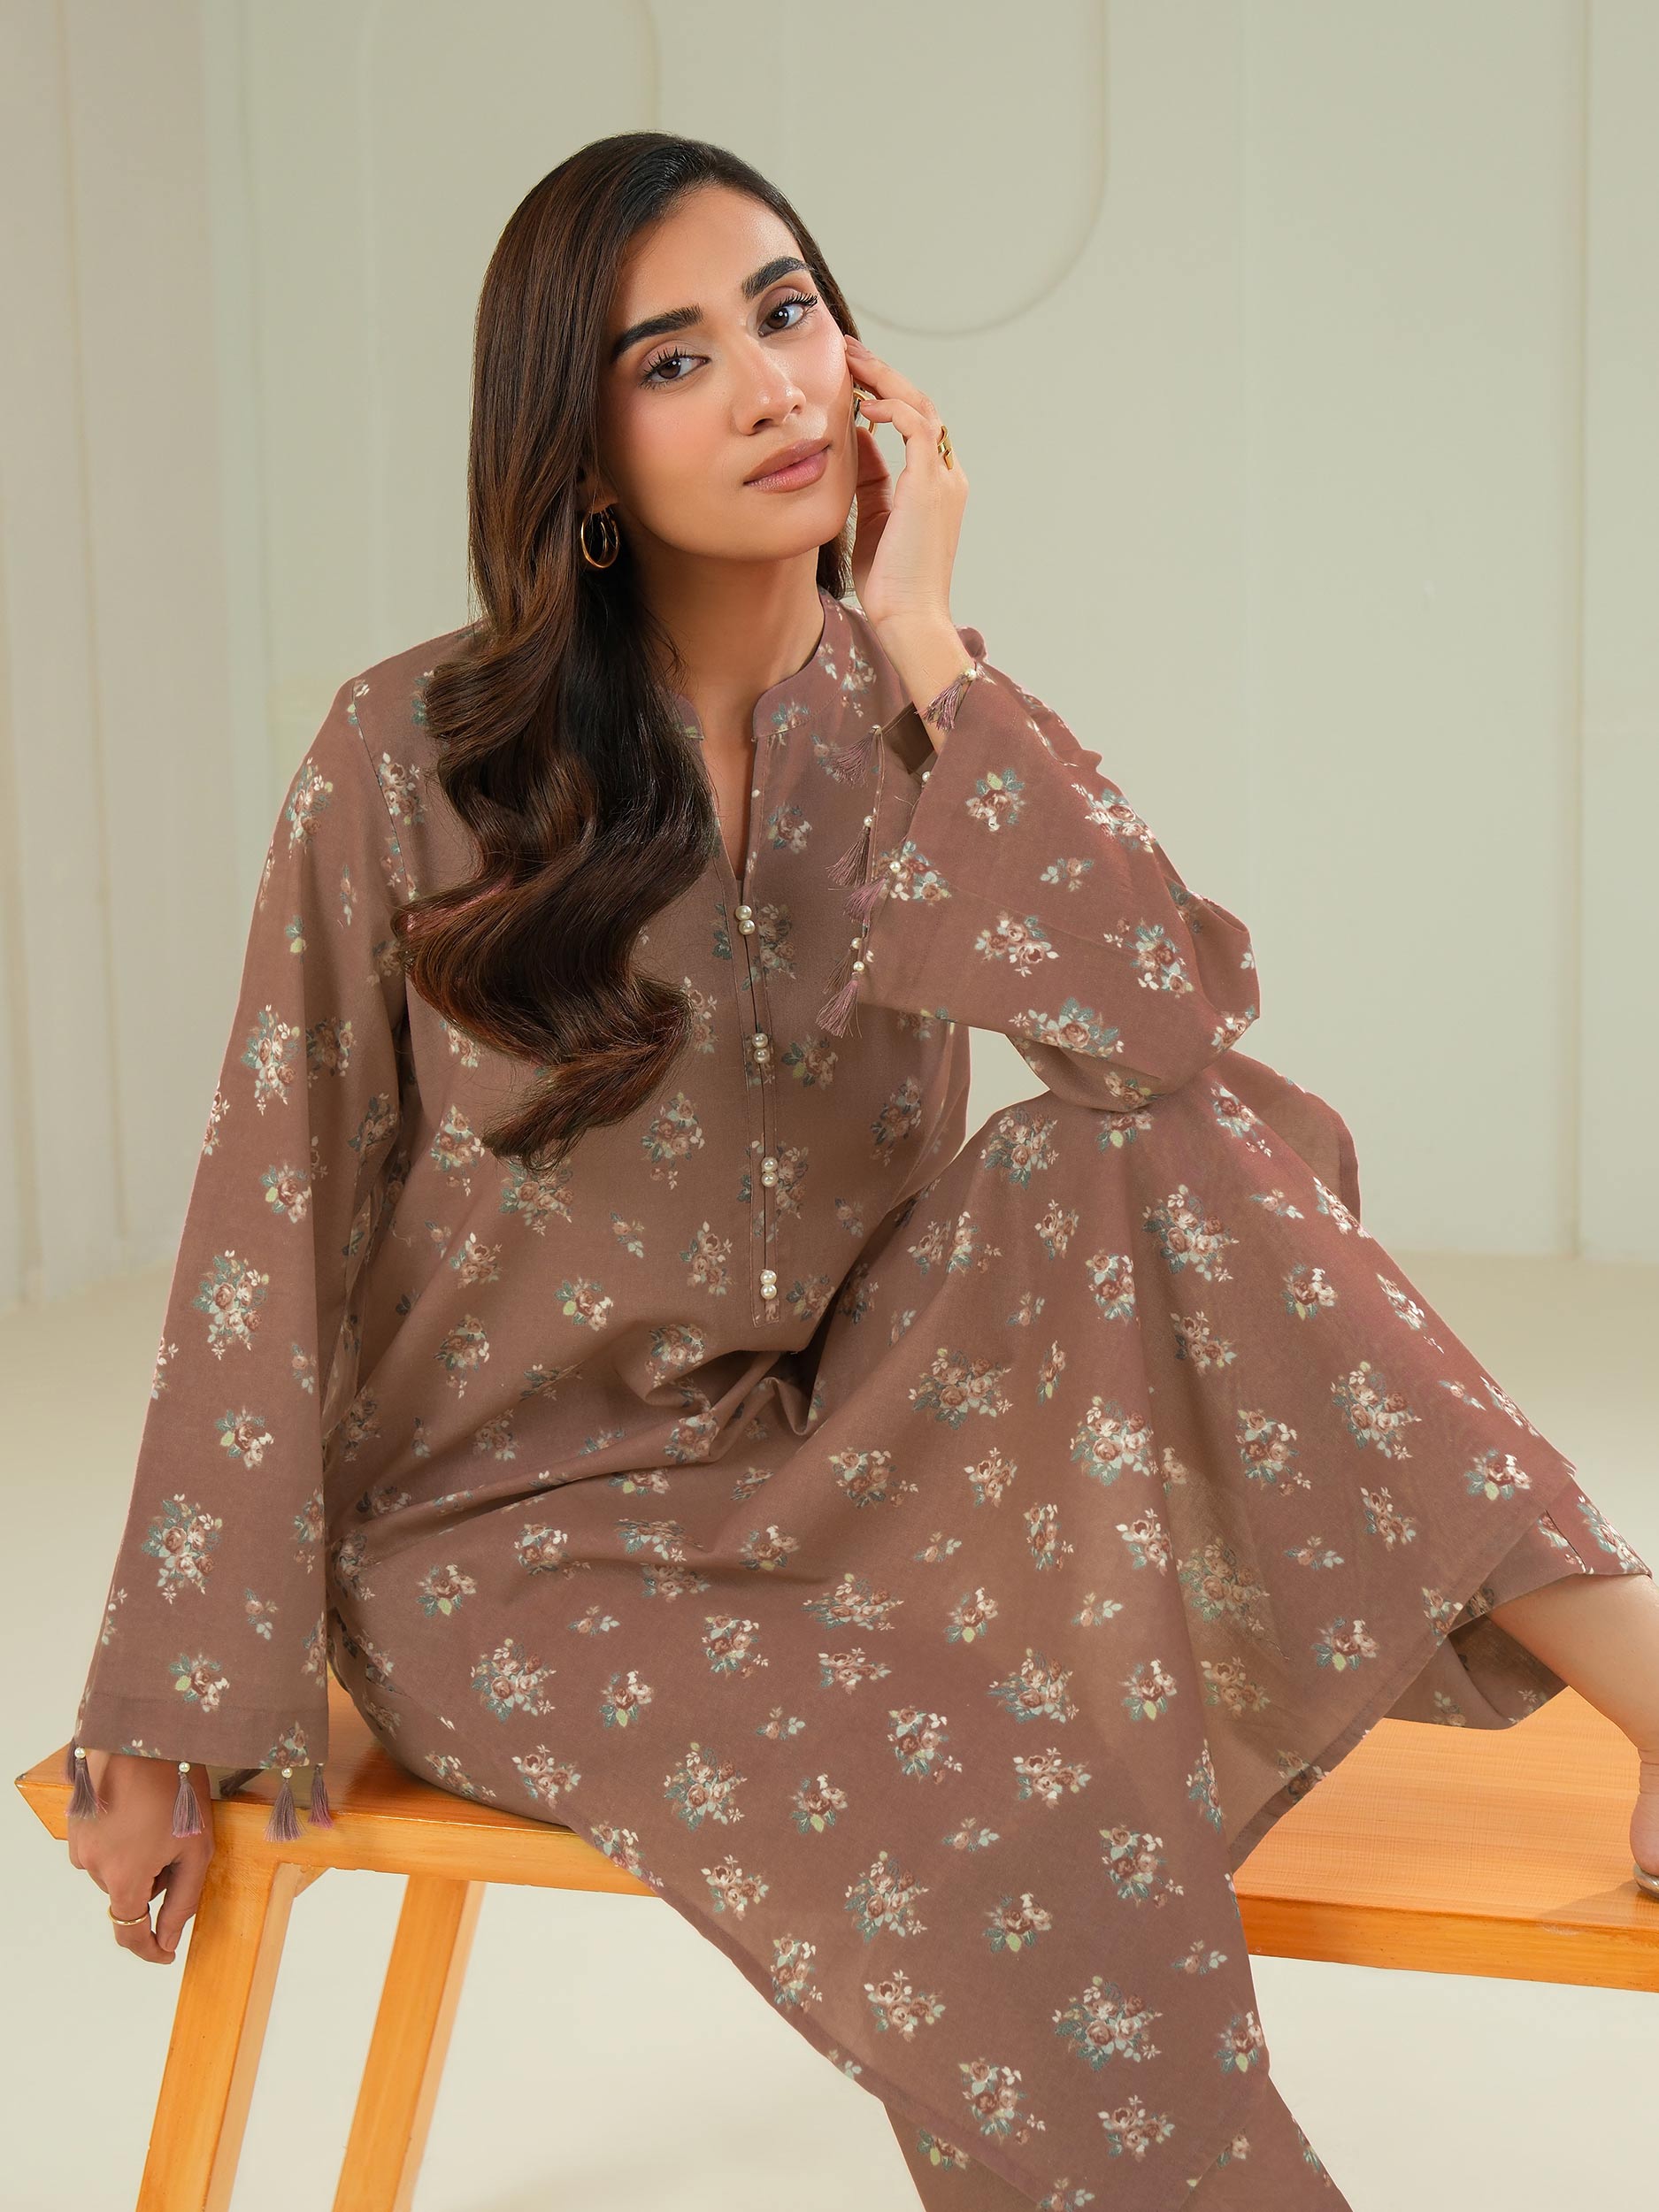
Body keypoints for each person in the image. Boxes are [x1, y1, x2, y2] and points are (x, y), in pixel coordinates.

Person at [64, 134, 1659, 2210]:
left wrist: (918, 638)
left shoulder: (917, 720)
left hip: (852, 1458)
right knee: (1014, 1815)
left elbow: (1159, 1036)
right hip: (519, 1547)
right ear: (578, 449)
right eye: (673, 360)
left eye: (787, 313)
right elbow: (262, 1218)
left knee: (1137, 1132)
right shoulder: (412, 758)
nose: (767, 388)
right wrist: (168, 1699)